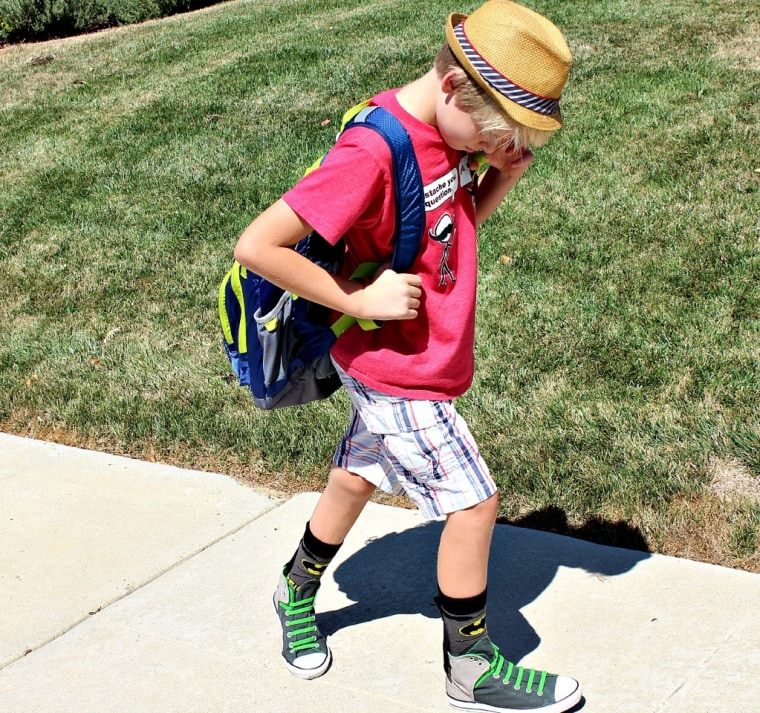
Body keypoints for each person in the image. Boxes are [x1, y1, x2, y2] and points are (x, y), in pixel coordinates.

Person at [233, 1, 581, 710]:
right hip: (395, 369)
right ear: (452, 87)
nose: (491, 146)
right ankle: (471, 664)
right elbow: (256, 245)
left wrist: (500, 171)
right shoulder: (372, 152)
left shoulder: (447, 134)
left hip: (423, 358)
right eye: (492, 134)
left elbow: (451, 227)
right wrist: (359, 302)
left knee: (356, 478)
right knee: (475, 503)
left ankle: (293, 586)